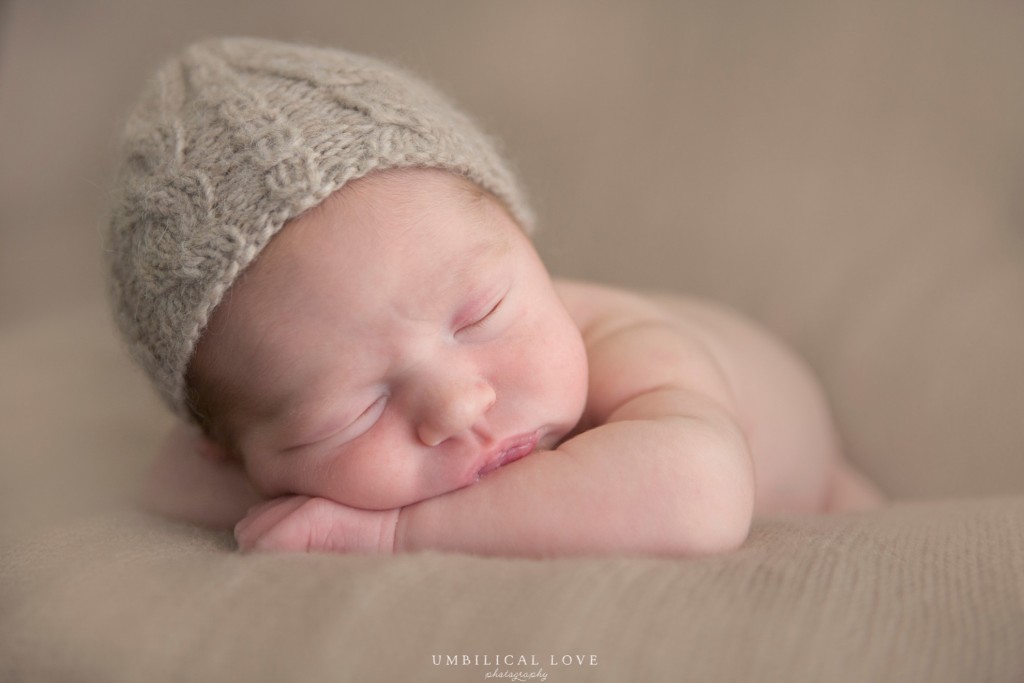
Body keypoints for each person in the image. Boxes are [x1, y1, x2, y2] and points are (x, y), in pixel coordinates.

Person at [106, 37, 881, 558]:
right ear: (231, 449)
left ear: (528, 247)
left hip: (817, 480)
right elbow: (169, 480)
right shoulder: (243, 435)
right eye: (350, 411)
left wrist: (398, 527)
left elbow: (700, 496)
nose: (456, 405)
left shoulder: (629, 349)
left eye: (480, 314)